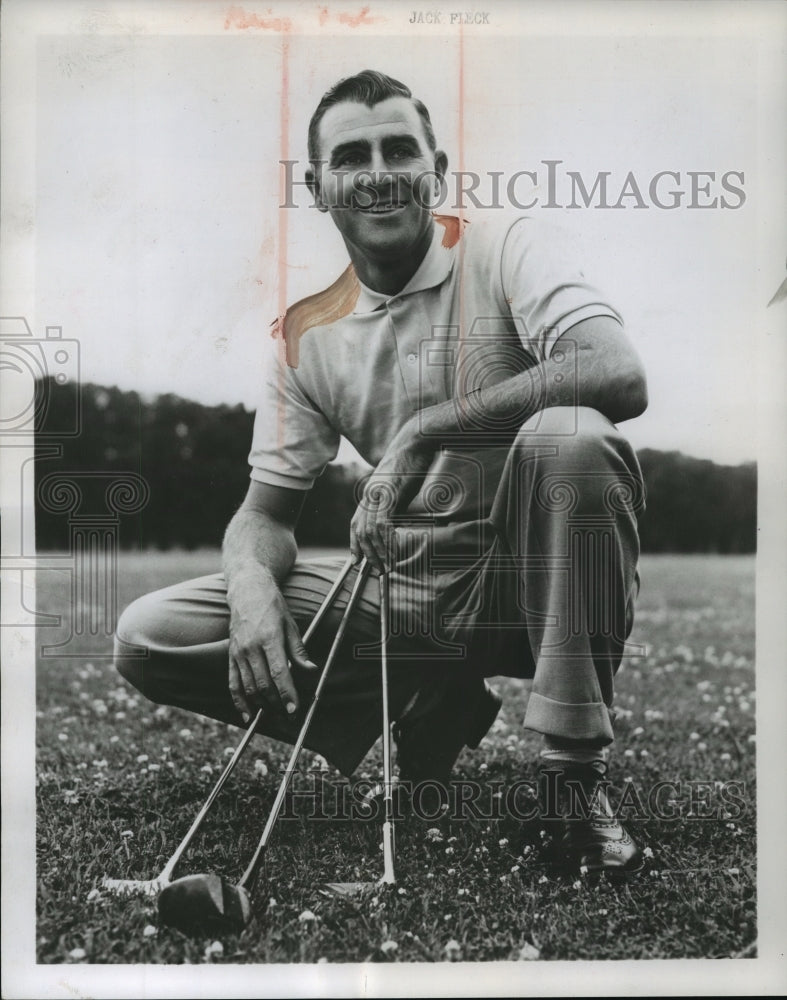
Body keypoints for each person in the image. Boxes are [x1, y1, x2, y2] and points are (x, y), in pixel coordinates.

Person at [115, 69, 648, 876]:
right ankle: (427, 696)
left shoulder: (506, 246)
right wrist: (252, 584)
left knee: (571, 435)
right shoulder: (305, 334)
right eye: (351, 156)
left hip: (536, 584)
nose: (377, 172)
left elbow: (614, 369)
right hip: (406, 595)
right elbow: (264, 514)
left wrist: (424, 430)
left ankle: (571, 782)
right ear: (317, 187)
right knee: (150, 637)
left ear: (435, 169)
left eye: (399, 149)